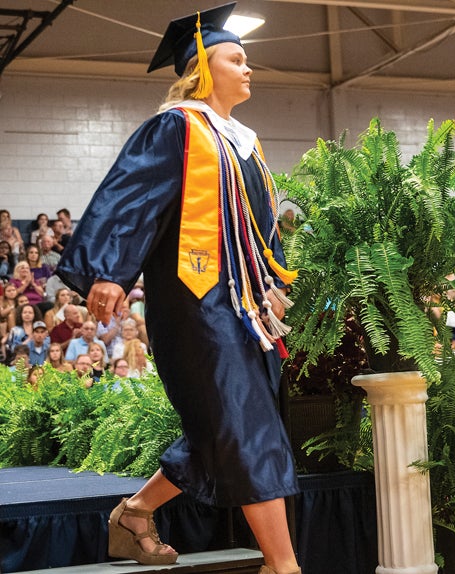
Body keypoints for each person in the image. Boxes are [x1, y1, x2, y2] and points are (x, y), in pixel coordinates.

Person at [55, 5, 300, 573]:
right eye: (236, 58)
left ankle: (134, 515)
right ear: (201, 68)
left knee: (227, 426)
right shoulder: (178, 127)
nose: (249, 68)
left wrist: (274, 284)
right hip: (196, 304)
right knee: (245, 423)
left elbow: (258, 229)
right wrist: (111, 272)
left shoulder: (246, 142)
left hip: (245, 308)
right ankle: (283, 566)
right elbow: (131, 196)